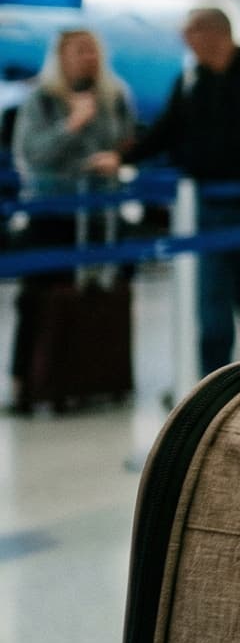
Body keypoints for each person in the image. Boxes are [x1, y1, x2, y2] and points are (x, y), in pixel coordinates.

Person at [96, 9, 240, 373]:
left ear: (215, 33)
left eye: (190, 33)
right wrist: (123, 157)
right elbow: (165, 132)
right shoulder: (191, 81)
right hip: (208, 203)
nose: (186, 41)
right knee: (212, 304)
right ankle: (214, 385)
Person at [13, 28, 135, 410]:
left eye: (93, 51)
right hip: (52, 214)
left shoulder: (114, 98)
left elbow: (125, 143)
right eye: (80, 51)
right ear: (61, 57)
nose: (88, 58)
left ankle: (95, 373)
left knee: (102, 292)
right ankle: (28, 379)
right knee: (38, 295)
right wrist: (72, 125)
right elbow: (33, 155)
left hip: (102, 215)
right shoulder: (41, 101)